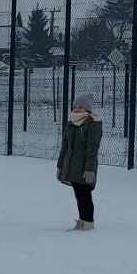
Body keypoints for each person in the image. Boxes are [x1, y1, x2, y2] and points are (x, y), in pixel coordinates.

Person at [56, 92, 103, 231]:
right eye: (76, 106)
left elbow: (92, 149)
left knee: (85, 194)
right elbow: (64, 146)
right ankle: (82, 220)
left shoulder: (92, 124)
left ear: (87, 109)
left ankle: (88, 222)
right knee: (78, 194)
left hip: (84, 166)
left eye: (81, 106)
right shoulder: (71, 123)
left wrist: (89, 169)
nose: (77, 108)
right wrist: (60, 165)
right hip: (72, 166)